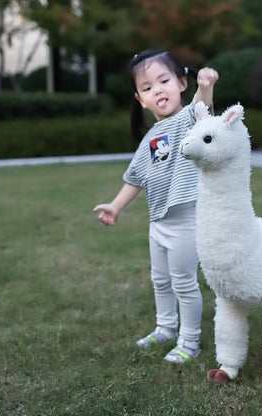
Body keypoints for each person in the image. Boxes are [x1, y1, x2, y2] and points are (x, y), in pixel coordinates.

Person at [93, 49, 219, 363]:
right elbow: (135, 177)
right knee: (160, 279)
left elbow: (203, 104)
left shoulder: (191, 119)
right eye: (147, 88)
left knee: (183, 282)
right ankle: (165, 327)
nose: (157, 90)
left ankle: (190, 342)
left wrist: (206, 83)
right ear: (140, 99)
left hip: (187, 219)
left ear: (181, 83)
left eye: (164, 81)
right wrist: (116, 206)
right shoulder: (150, 137)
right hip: (159, 222)